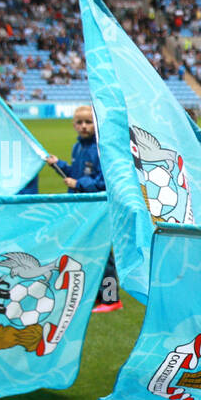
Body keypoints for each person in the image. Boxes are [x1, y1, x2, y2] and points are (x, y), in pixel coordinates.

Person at [48, 106, 119, 313]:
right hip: (80, 207)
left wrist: (78, 184)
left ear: (95, 125)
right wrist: (57, 164)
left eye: (88, 122)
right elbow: (74, 172)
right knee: (85, 252)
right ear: (74, 125)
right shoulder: (77, 148)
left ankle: (111, 298)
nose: (84, 126)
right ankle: (96, 295)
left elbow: (104, 181)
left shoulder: (101, 149)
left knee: (103, 253)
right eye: (80, 123)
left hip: (97, 207)